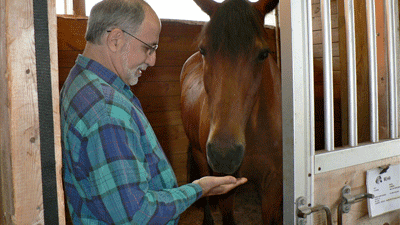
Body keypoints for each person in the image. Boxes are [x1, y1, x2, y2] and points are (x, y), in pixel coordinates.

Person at [59, 0, 247, 224]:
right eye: (148, 48)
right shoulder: (108, 112)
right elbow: (138, 215)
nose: (153, 60)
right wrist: (198, 189)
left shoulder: (80, 80)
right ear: (115, 40)